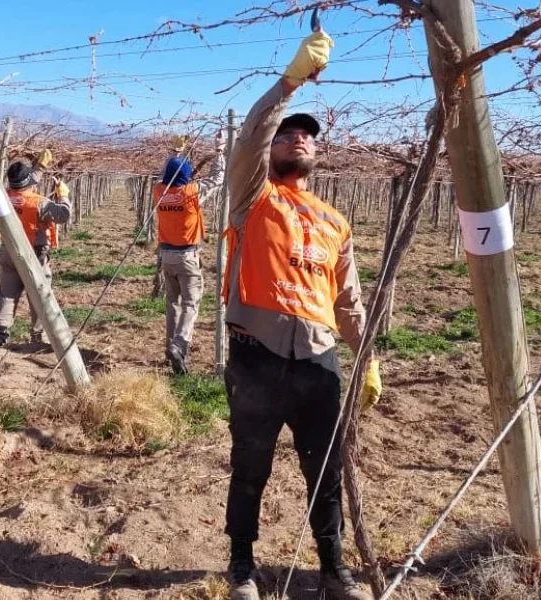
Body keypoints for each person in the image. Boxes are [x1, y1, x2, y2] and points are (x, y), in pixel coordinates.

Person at [220, 29, 382, 600]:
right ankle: (242, 566)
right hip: (256, 356)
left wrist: (366, 358)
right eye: (288, 134)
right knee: (251, 466)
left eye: (307, 137)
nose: (297, 140)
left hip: (319, 360)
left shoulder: (335, 221)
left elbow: (348, 298)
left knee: (326, 470)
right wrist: (290, 82)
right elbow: (251, 137)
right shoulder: (252, 196)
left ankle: (333, 570)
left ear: (318, 154)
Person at [155, 133, 225, 374]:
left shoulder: (159, 194)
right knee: (190, 303)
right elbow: (217, 178)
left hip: (166, 256)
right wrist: (220, 150)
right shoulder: (191, 194)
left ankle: (169, 347)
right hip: (187, 257)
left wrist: (176, 151)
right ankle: (180, 344)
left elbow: (163, 174)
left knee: (172, 302)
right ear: (187, 177)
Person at [0, 151, 71, 348]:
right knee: (40, 296)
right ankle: (38, 337)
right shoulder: (40, 203)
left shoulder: (1, 197)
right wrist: (64, 195)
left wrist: (41, 167)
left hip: (8, 253)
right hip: (34, 256)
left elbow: (26, 183)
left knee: (7, 295)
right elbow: (63, 215)